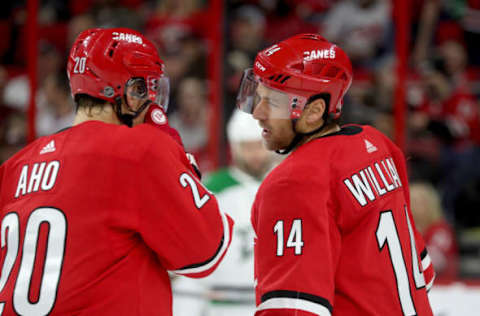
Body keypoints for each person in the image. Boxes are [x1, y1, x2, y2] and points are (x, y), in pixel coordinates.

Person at [0, 28, 233, 316]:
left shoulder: (16, 165)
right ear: (132, 92)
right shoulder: (140, 149)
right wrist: (175, 153)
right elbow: (207, 252)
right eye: (147, 88)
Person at [236, 33, 435, 316]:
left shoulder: (294, 181)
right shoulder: (378, 146)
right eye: (259, 97)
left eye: (273, 102)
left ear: (315, 111)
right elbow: (422, 273)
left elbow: (293, 311)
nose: (257, 112)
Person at [172, 109, 275, 316]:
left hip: (271, 301)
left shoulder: (287, 183)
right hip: (221, 304)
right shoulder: (211, 189)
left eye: (259, 147)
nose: (255, 155)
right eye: (247, 147)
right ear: (235, 148)